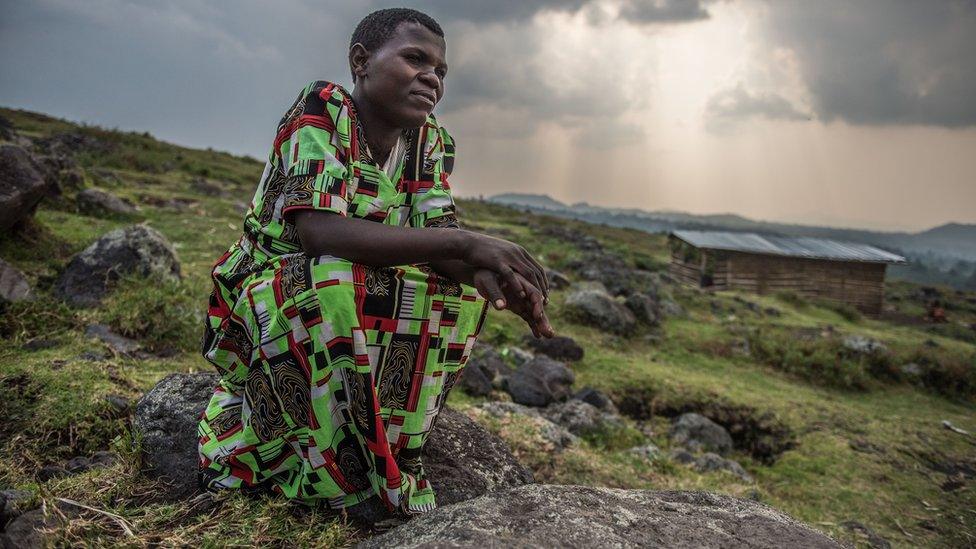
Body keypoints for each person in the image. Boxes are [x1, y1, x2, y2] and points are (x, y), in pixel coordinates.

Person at [197, 8, 554, 517]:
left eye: (441, 71)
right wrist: (467, 245)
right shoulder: (323, 110)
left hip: (333, 284)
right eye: (415, 59)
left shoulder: (429, 141)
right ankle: (322, 470)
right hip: (265, 294)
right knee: (327, 278)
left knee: (454, 299)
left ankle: (381, 456)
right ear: (360, 61)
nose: (432, 76)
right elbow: (319, 231)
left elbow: (438, 238)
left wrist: (491, 278)